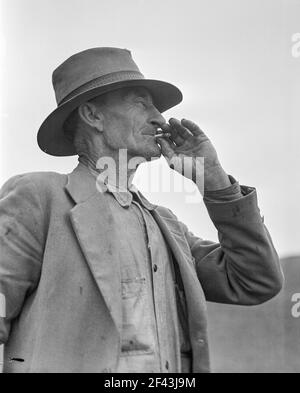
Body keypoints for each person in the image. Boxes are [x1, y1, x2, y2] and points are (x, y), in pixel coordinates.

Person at [0, 47, 283, 373]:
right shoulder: (40, 198)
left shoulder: (166, 226)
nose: (159, 119)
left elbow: (255, 279)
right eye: (140, 102)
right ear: (93, 116)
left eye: (156, 107)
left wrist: (214, 178)